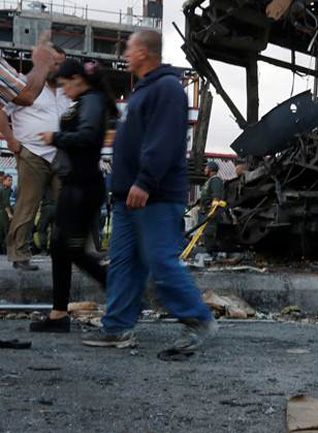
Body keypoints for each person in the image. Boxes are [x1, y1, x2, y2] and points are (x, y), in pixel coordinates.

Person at [82, 30, 216, 352]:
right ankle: (117, 328)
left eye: (129, 49)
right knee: (125, 263)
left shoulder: (167, 88)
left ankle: (198, 319)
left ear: (143, 52)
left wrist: (145, 181)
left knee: (161, 260)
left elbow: (165, 140)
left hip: (153, 195)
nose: (125, 54)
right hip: (129, 195)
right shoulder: (143, 90)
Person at [27, 59, 114, 333]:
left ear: (77, 79)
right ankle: (58, 314)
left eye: (65, 84)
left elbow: (88, 137)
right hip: (76, 184)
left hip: (82, 186)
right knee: (59, 248)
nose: (63, 91)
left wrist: (56, 138)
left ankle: (114, 285)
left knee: (70, 248)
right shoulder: (88, 101)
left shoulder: (91, 101)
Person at [0, 42, 63, 271]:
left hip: (59, 154)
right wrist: (10, 140)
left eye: (60, 64)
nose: (58, 67)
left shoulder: (66, 91)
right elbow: (1, 109)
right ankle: (19, 254)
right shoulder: (25, 84)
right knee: (28, 204)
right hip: (32, 152)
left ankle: (66, 251)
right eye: (54, 63)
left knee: (67, 204)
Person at [198, 160, 224, 254]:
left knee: (210, 233)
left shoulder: (215, 180)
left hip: (211, 212)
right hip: (206, 211)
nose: (205, 169)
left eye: (206, 167)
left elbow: (216, 197)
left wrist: (212, 212)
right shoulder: (210, 181)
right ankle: (209, 252)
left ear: (211, 169)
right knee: (206, 233)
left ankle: (211, 254)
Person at [0, 175, 12, 254]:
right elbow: (6, 203)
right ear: (4, 181)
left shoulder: (2, 189)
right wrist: (9, 214)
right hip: (4, 212)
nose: (11, 182)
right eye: (9, 180)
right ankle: (6, 249)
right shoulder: (6, 190)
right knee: (7, 230)